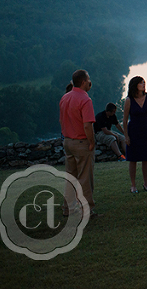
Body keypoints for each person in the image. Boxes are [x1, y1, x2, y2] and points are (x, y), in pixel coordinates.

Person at [59, 69, 98, 217]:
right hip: (81, 142)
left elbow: (61, 120)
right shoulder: (85, 100)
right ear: (83, 82)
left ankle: (68, 208)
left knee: (71, 177)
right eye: (88, 79)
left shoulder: (65, 98)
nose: (90, 82)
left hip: (68, 142)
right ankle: (86, 209)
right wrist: (92, 142)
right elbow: (87, 125)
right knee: (85, 178)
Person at [122, 76, 147, 193]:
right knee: (133, 159)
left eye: (144, 83)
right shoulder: (129, 100)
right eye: (141, 83)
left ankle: (146, 183)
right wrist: (126, 136)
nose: (143, 85)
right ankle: (133, 185)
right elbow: (125, 119)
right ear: (135, 85)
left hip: (146, 130)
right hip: (134, 131)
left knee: (145, 158)